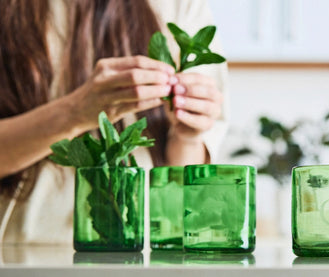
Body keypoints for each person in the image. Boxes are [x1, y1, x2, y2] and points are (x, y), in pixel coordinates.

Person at [0, 0, 228, 244]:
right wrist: (74, 112)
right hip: (23, 252)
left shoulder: (180, 6)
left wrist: (187, 136)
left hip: (141, 251)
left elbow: (185, 187)